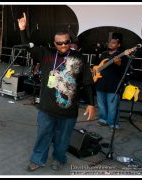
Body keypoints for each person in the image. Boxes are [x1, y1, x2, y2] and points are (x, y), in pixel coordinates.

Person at [18, 12, 96, 171]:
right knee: (43, 135)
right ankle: (38, 159)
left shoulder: (79, 58)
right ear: (54, 43)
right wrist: (22, 30)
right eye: (59, 43)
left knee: (63, 138)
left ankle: (59, 158)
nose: (63, 45)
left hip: (68, 109)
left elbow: (87, 82)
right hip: (46, 107)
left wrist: (91, 103)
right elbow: (28, 47)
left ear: (70, 41)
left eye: (67, 42)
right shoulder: (46, 53)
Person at [95, 33, 134, 130]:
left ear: (119, 45)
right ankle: (103, 119)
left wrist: (119, 64)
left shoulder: (122, 56)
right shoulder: (104, 54)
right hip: (100, 84)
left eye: (113, 43)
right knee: (101, 104)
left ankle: (113, 123)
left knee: (113, 107)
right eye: (109, 42)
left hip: (113, 86)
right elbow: (96, 66)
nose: (110, 44)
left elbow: (126, 71)